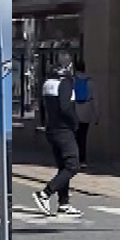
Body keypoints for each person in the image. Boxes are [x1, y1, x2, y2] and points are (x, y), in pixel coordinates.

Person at [33, 57, 84, 218]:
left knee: (63, 167)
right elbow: (65, 107)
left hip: (51, 129)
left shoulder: (47, 83)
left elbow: (42, 107)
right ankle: (45, 194)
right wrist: (75, 123)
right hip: (64, 130)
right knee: (73, 166)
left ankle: (64, 203)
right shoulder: (65, 83)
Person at [72, 64, 97, 164]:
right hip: (86, 110)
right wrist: (96, 115)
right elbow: (95, 99)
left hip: (75, 110)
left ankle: (75, 157)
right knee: (83, 136)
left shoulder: (73, 81)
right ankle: (83, 159)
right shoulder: (90, 82)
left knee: (75, 136)